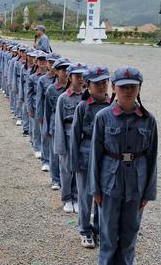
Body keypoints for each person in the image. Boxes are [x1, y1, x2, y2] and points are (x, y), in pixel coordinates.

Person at [88, 66, 158, 265]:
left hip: (135, 186)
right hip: (109, 183)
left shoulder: (148, 120)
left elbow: (152, 157)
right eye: (123, 86)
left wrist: (148, 191)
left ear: (139, 89)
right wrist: (95, 188)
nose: (128, 91)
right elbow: (95, 156)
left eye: (133, 87)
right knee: (108, 232)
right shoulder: (103, 117)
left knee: (129, 233)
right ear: (114, 88)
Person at [70, 65, 111, 249]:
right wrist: (74, 162)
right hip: (86, 157)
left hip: (106, 160)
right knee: (85, 197)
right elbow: (75, 135)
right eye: (97, 83)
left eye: (104, 82)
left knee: (102, 197)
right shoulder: (83, 107)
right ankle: (85, 230)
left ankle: (99, 229)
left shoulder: (112, 106)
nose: (102, 86)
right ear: (88, 85)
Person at [54, 62, 88, 213]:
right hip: (67, 138)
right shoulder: (63, 98)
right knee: (66, 170)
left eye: (82, 76)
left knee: (79, 170)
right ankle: (67, 198)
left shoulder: (87, 97)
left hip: (82, 139)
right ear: (70, 77)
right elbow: (59, 123)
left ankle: (77, 197)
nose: (80, 79)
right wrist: (60, 145)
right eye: (77, 76)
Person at [44, 57, 71, 190]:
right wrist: (47, 128)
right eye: (63, 70)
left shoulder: (75, 89)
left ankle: (69, 181)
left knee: (69, 155)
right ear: (57, 72)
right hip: (56, 125)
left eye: (68, 70)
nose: (65, 73)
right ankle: (55, 179)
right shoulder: (51, 89)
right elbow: (47, 111)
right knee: (55, 154)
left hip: (70, 127)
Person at [35, 54, 58, 172]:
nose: (52, 65)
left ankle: (54, 161)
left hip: (57, 113)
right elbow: (39, 100)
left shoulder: (62, 79)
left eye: (54, 62)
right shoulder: (42, 80)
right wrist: (39, 116)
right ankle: (45, 160)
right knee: (45, 135)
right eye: (50, 62)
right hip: (46, 110)